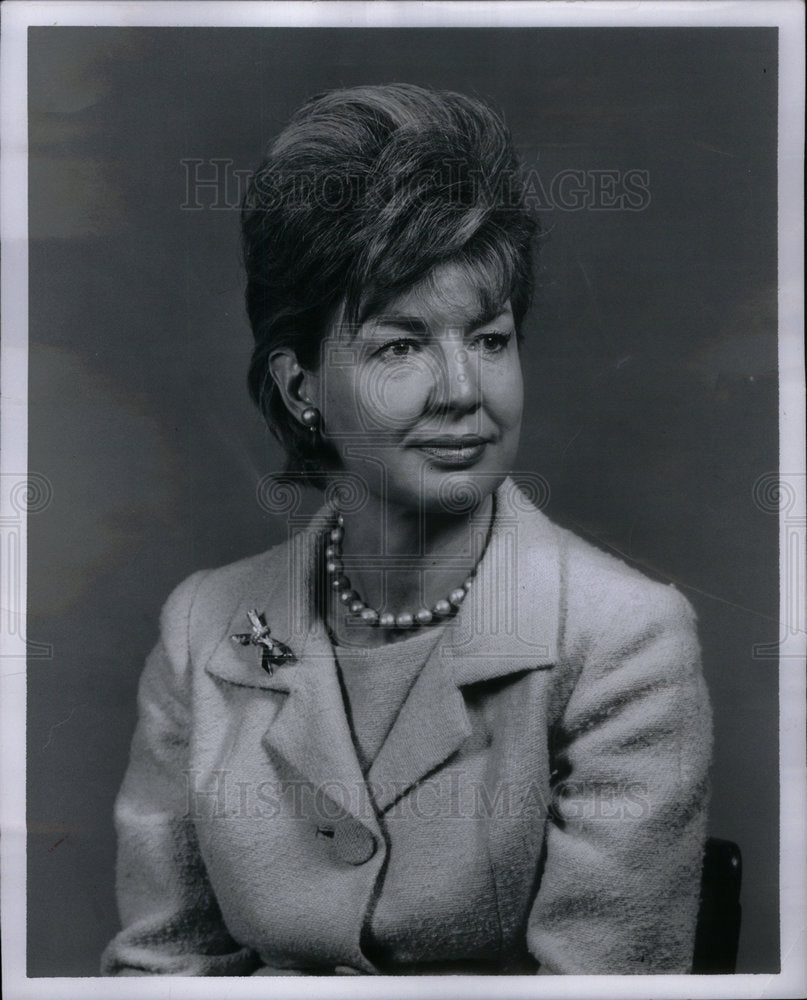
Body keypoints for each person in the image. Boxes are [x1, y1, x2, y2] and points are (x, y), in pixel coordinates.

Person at [101, 83, 712, 977]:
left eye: (490, 338)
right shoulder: (206, 629)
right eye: (401, 345)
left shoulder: (624, 643)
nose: (464, 390)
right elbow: (159, 969)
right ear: (301, 385)